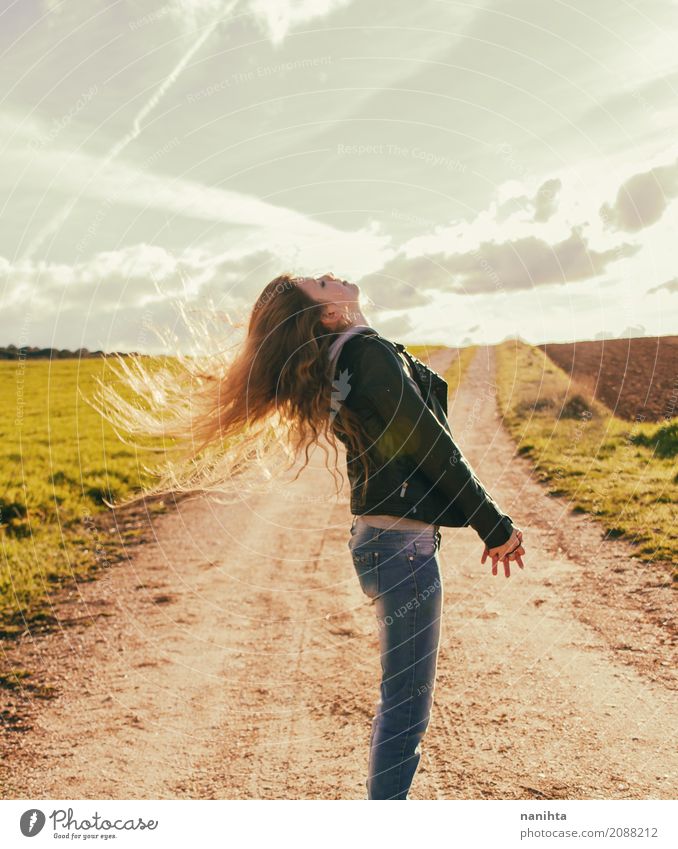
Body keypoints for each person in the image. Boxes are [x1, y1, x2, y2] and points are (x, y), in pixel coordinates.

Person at [92, 270, 525, 801]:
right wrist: (493, 523)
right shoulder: (363, 355)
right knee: (406, 707)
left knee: (403, 701)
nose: (329, 275)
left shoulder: (346, 357)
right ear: (326, 312)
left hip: (385, 541)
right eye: (320, 285)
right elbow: (428, 443)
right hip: (401, 547)